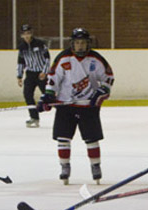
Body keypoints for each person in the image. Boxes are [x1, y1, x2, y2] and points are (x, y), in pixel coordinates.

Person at [36, 28, 114, 185]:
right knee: (63, 138)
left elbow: (108, 78)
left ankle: (95, 166)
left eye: (83, 43)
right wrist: (48, 96)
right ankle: (64, 167)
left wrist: (100, 92)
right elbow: (53, 79)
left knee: (92, 138)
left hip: (88, 106)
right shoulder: (64, 58)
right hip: (66, 106)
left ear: (88, 44)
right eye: (77, 43)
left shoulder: (96, 59)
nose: (80, 46)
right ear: (72, 43)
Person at [16, 24, 50, 128]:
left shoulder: (40, 44)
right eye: (24, 34)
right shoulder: (22, 47)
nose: (26, 36)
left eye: (28, 33)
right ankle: (34, 118)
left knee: (49, 96)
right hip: (30, 74)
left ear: (31, 33)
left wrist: (44, 71)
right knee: (27, 95)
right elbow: (20, 62)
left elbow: (47, 59)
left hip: (41, 74)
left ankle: (64, 115)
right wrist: (19, 76)